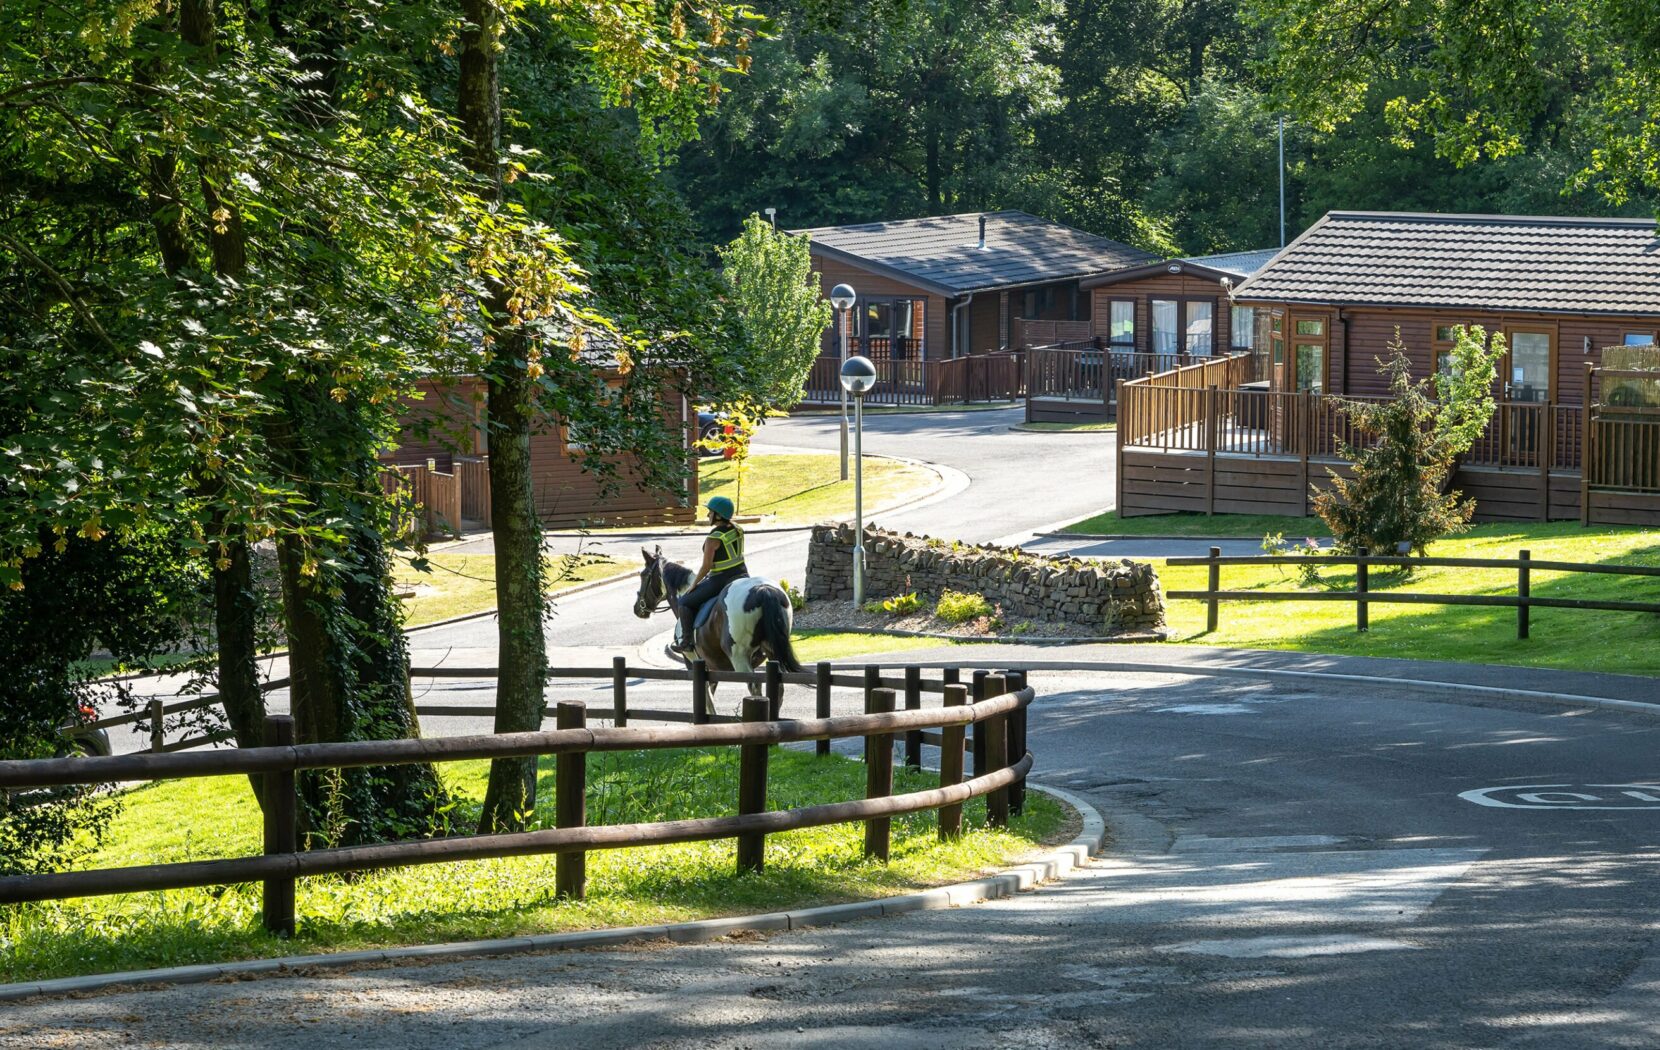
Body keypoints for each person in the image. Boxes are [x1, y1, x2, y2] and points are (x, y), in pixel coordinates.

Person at [672, 495, 749, 655]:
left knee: (685, 602)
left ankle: (686, 641)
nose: (708, 515)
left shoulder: (713, 538)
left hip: (721, 579)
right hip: (742, 575)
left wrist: (693, 586)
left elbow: (706, 566)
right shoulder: (737, 529)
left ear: (718, 515)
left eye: (710, 512)